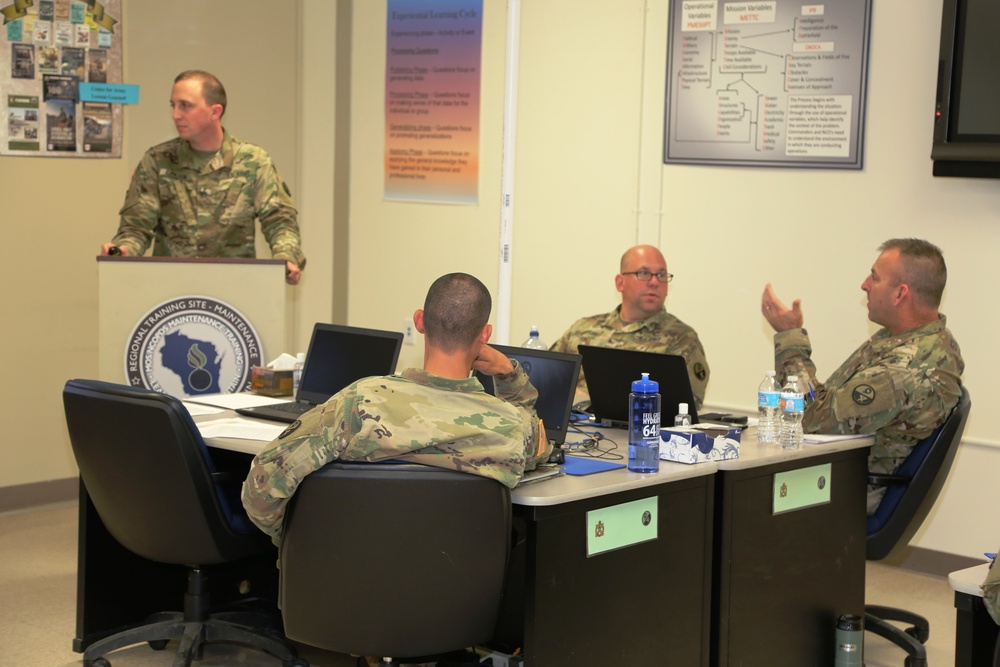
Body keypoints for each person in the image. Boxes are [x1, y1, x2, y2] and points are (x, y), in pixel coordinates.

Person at [242, 272, 551, 543]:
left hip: (344, 580)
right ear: (485, 334)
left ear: (419, 321)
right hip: (460, 587)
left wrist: (298, 542)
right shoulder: (511, 426)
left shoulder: (359, 402)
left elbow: (261, 488)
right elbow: (538, 445)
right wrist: (508, 373)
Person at [761, 238, 964, 514]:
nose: (864, 285)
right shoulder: (921, 339)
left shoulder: (904, 371)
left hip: (847, 494)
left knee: (740, 501)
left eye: (875, 277)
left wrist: (789, 337)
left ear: (900, 293)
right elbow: (827, 403)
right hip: (836, 474)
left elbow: (809, 418)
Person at [100, 70, 306, 285]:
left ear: (215, 112)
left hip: (234, 289)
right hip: (171, 289)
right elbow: (136, 227)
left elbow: (279, 221)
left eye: (185, 105)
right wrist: (123, 250)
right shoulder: (157, 161)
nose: (175, 115)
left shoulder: (253, 161)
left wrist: (286, 256)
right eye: (173, 105)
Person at [549, 244, 709, 408]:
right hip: (575, 423)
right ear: (620, 283)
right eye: (644, 273)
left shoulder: (681, 339)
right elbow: (544, 378)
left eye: (661, 275)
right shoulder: (583, 329)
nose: (654, 282)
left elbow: (685, 406)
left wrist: (587, 399)